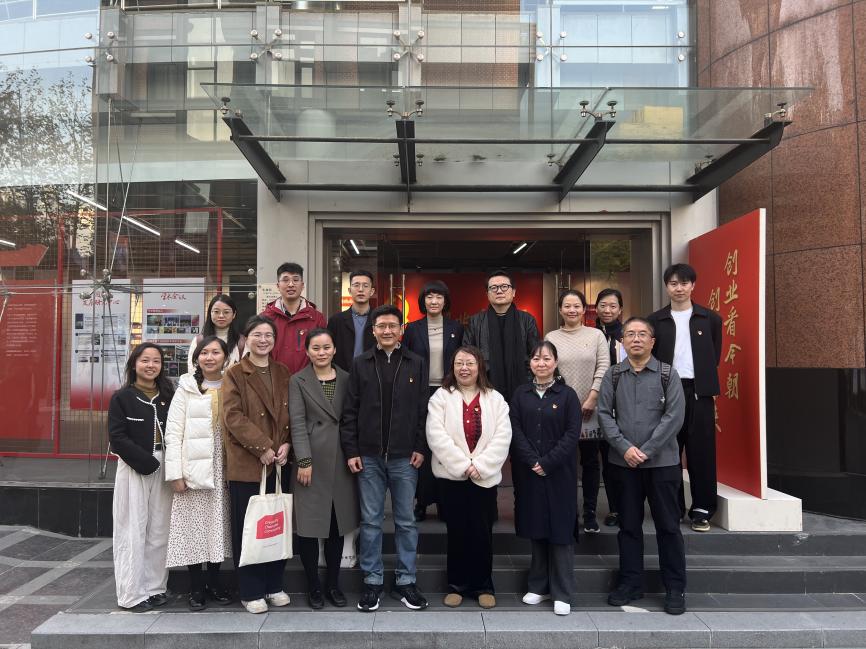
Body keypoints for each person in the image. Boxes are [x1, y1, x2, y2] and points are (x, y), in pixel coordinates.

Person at [340, 304, 429, 612]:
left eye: (393, 326)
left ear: (401, 330)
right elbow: (350, 411)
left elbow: (423, 410)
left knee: (406, 521)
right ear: (374, 331)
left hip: (405, 456)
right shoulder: (361, 363)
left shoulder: (416, 362)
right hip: (369, 456)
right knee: (371, 521)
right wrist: (351, 450)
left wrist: (420, 447)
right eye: (382, 326)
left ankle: (406, 581)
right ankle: (372, 581)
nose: (387, 331)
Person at [597, 317, 687, 615]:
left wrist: (646, 451)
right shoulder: (613, 375)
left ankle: (674, 587)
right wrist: (625, 448)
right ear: (622, 341)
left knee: (668, 527)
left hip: (662, 464)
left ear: (652, 341)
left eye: (642, 334)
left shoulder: (667, 374)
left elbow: (674, 417)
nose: (636, 339)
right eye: (630, 334)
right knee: (628, 527)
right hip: (623, 465)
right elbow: (604, 415)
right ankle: (630, 583)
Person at [425, 346, 511, 609]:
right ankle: (457, 585)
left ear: (480, 366)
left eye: (470, 363)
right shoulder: (441, 397)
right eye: (459, 363)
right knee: (457, 531)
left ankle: (483, 585)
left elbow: (503, 436)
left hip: (484, 477)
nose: (464, 368)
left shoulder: (495, 399)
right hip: (452, 477)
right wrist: (463, 465)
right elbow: (436, 435)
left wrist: (480, 465)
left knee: (482, 532)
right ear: (452, 367)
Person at [222, 315, 292, 614]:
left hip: (279, 462)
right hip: (248, 462)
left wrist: (287, 444)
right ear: (245, 339)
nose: (263, 340)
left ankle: (274, 584)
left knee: (275, 525)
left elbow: (291, 412)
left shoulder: (283, 371)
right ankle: (250, 590)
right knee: (249, 528)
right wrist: (262, 446)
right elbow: (233, 417)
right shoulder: (235, 373)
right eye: (257, 335)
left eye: (268, 335)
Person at [647, 263, 722, 532]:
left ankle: (702, 510)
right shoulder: (655, 321)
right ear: (666, 287)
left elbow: (715, 355)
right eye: (673, 283)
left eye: (684, 283)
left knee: (701, 451)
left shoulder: (710, 319)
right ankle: (673, 508)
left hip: (699, 392)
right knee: (669, 451)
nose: (679, 288)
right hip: (666, 392)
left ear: (693, 285)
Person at [509, 341, 581, 616]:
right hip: (529, 472)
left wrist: (548, 462)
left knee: (560, 529)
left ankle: (562, 591)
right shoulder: (520, 394)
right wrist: (532, 460)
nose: (541, 363)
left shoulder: (568, 395)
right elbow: (515, 430)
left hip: (559, 472)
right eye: (536, 358)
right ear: (530, 363)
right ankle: (539, 586)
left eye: (547, 358)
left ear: (556, 363)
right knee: (536, 525)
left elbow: (572, 434)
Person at [289, 328, 360, 610]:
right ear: (307, 351)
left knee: (336, 525)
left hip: (341, 459)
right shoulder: (298, 380)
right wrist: (304, 461)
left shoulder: (347, 378)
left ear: (334, 350)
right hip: (311, 460)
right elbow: (297, 422)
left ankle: (333, 584)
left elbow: (352, 417)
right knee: (308, 526)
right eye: (316, 348)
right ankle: (313, 586)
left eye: (326, 347)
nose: (321, 352)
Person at [165, 336, 233, 611]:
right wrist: (175, 474)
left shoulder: (233, 384)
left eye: (216, 352)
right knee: (194, 528)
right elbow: (173, 432)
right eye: (204, 353)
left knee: (218, 525)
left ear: (225, 357)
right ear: (196, 359)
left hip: (223, 467)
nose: (209, 357)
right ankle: (196, 587)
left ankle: (214, 582)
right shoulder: (186, 388)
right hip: (193, 467)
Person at [109, 343, 175, 611]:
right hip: (134, 466)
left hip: (167, 467)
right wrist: (146, 462)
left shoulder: (168, 395)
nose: (151, 365)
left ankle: (155, 587)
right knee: (132, 529)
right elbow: (117, 438)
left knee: (160, 529)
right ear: (134, 364)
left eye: (156, 361)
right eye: (145, 360)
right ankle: (131, 594)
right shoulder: (122, 397)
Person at [545, 290, 610, 534]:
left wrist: (592, 397)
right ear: (560, 310)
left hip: (590, 408)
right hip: (561, 410)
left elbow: (603, 366)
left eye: (576, 306)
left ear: (584, 309)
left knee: (591, 462)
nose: (572, 310)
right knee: (564, 462)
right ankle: (567, 511)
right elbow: (548, 369)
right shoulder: (551, 337)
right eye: (567, 306)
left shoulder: (596, 335)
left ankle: (590, 512)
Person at [402, 279, 464, 522]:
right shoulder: (412, 329)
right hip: (420, 392)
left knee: (447, 445)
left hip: (448, 392)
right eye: (429, 297)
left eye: (439, 297)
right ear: (423, 301)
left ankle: (444, 502)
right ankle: (422, 501)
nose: (434, 301)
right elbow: (406, 361)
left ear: (445, 301)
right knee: (422, 446)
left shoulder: (456, 328)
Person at [464, 269, 540, 403]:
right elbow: (468, 355)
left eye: (504, 286)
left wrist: (529, 381)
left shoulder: (527, 320)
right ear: (487, 294)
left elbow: (535, 355)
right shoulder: (475, 322)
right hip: (486, 388)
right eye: (493, 288)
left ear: (514, 292)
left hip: (523, 388)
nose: (499, 291)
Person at [595, 288, 626, 527]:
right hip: (594, 404)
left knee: (617, 457)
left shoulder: (627, 335)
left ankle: (622, 508)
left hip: (622, 405)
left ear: (620, 309)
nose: (607, 310)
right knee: (598, 459)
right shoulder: (591, 334)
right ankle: (603, 508)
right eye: (603, 305)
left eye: (613, 306)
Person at [261, 262, 326, 374]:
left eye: (296, 280)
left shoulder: (317, 318)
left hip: (307, 380)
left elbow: (322, 352)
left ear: (302, 285)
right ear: (278, 285)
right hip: (273, 379)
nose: (291, 284)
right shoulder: (265, 318)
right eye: (285, 280)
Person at [327, 270, 376, 372]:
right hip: (343, 375)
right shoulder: (336, 321)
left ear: (372, 291)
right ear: (349, 290)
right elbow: (329, 350)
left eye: (365, 286)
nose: (361, 289)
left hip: (373, 375)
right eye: (356, 285)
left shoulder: (379, 320)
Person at [186, 294, 246, 373]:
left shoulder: (241, 342)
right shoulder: (199, 340)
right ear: (210, 313)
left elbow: (245, 372)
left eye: (226, 312)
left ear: (234, 314)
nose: (221, 316)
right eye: (216, 312)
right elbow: (192, 370)